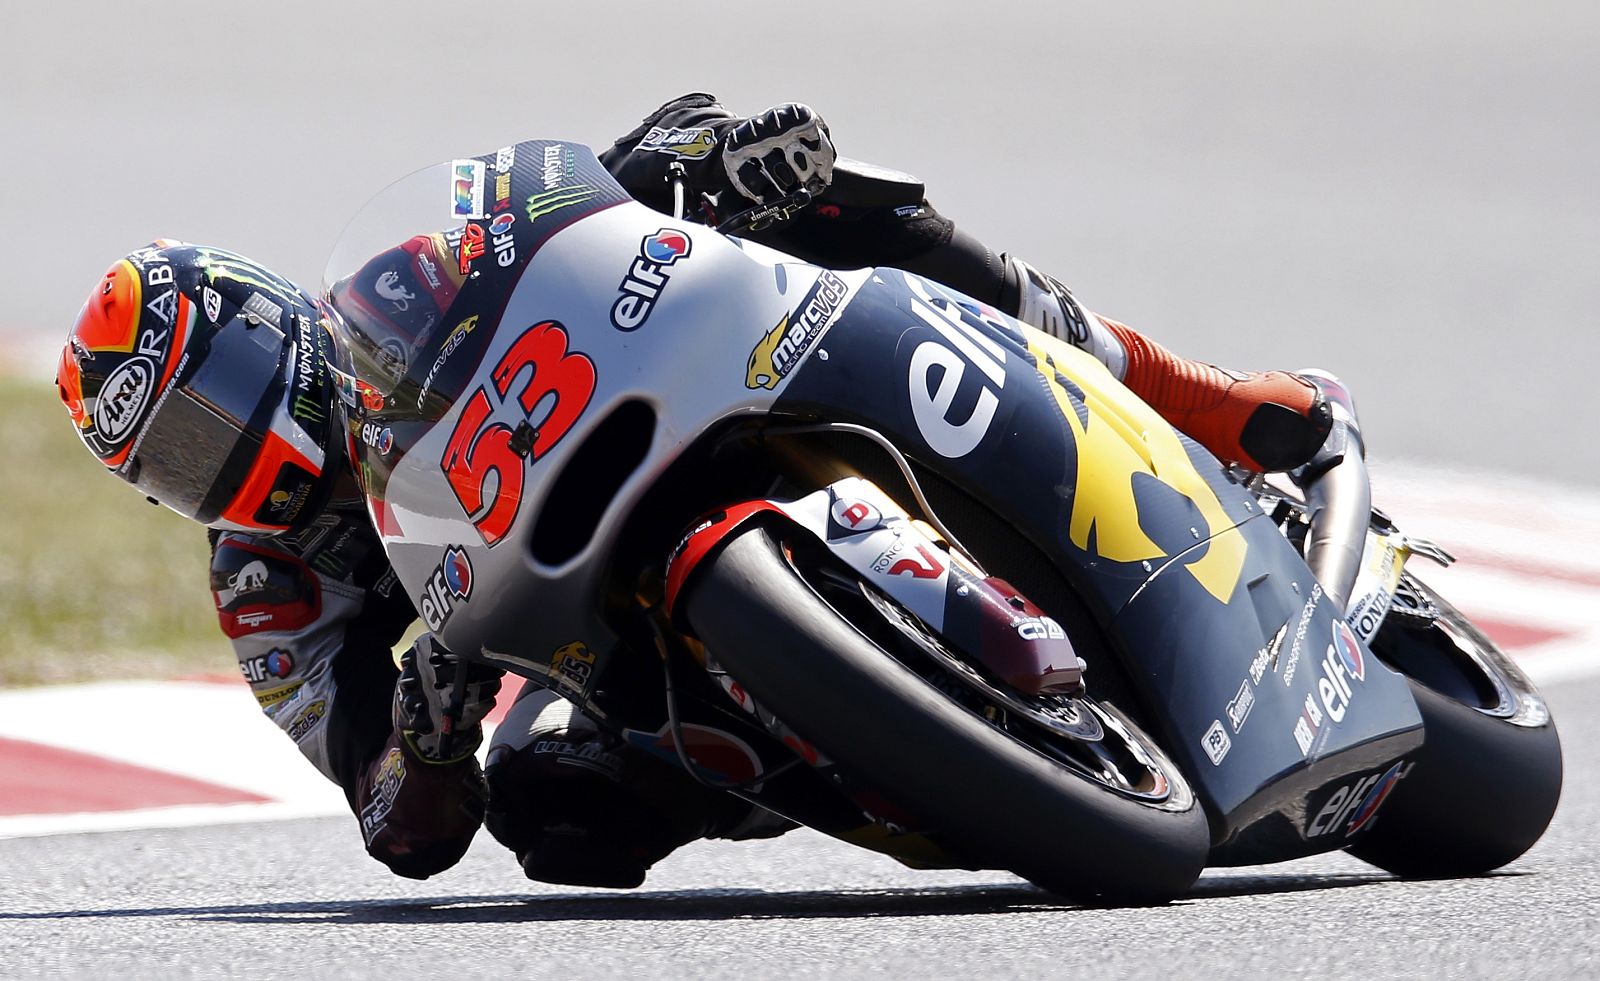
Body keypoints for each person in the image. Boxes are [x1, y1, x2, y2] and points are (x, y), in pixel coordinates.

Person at [55, 94, 1332, 887]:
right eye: (171, 464)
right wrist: (431, 732)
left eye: (210, 411)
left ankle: (1195, 393)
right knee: (557, 825)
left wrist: (693, 155)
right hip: (589, 621)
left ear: (269, 330)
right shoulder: (264, 589)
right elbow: (394, 820)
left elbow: (547, 220)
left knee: (837, 204)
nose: (214, 463)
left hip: (671, 397)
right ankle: (901, 751)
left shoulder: (391, 290)